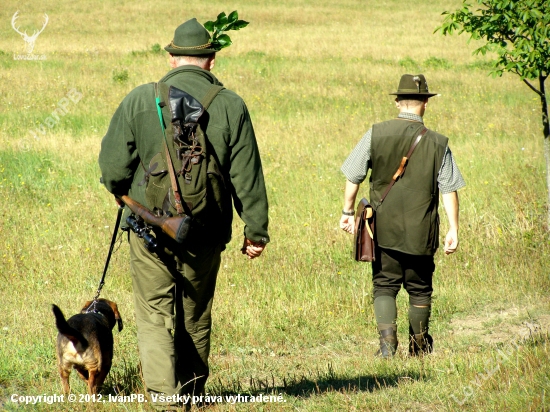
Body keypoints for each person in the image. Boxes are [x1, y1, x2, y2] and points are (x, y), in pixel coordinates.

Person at [98, 18, 269, 409]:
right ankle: (192, 392)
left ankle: (163, 398)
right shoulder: (231, 105)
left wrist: (124, 194)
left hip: (147, 230)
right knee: (195, 314)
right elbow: (247, 176)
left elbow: (111, 170)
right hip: (204, 233)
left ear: (173, 58)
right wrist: (255, 230)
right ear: (209, 60)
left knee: (155, 313)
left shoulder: (140, 99)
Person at [339, 74, 465, 357]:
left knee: (384, 284)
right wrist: (454, 229)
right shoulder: (438, 143)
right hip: (423, 230)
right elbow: (449, 189)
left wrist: (348, 211)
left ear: (397, 102)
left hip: (382, 229)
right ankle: (419, 347)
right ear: (425, 104)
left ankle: (387, 347)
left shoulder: (376, 133)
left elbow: (353, 174)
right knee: (420, 289)